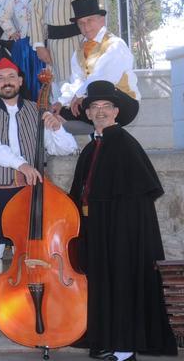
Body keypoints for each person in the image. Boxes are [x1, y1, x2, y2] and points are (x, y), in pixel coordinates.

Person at [69, 81, 177, 361]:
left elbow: (135, 200)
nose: (101, 111)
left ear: (116, 111)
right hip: (98, 230)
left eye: (107, 106)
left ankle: (125, 346)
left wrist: (119, 231)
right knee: (102, 284)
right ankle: (105, 340)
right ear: (89, 113)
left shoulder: (126, 145)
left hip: (122, 232)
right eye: (95, 106)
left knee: (122, 283)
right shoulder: (91, 148)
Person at [0, 57, 78, 326]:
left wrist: (57, 128)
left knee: (34, 249)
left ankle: (29, 305)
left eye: (11, 77)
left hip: (31, 191)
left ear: (20, 81)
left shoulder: (38, 110)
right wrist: (22, 164)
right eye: (0, 78)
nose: (6, 82)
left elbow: (64, 148)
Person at [54, 0, 140, 123]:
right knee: (59, 113)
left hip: (124, 104)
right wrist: (62, 101)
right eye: (81, 23)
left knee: (100, 90)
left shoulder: (115, 44)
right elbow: (78, 81)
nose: (86, 26)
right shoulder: (79, 51)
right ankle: (95, 139)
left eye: (90, 20)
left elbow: (104, 78)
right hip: (91, 99)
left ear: (102, 21)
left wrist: (79, 95)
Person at [0, 0, 47, 101]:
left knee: (45, 83)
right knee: (24, 82)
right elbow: (3, 16)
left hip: (45, 45)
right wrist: (12, 31)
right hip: (22, 47)